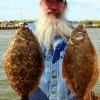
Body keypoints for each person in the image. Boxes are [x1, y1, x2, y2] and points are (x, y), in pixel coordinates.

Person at [28, 0, 96, 100]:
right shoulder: (28, 33)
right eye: (49, 1)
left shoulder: (79, 34)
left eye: (58, 2)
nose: (54, 7)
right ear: (41, 4)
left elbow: (90, 66)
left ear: (65, 5)